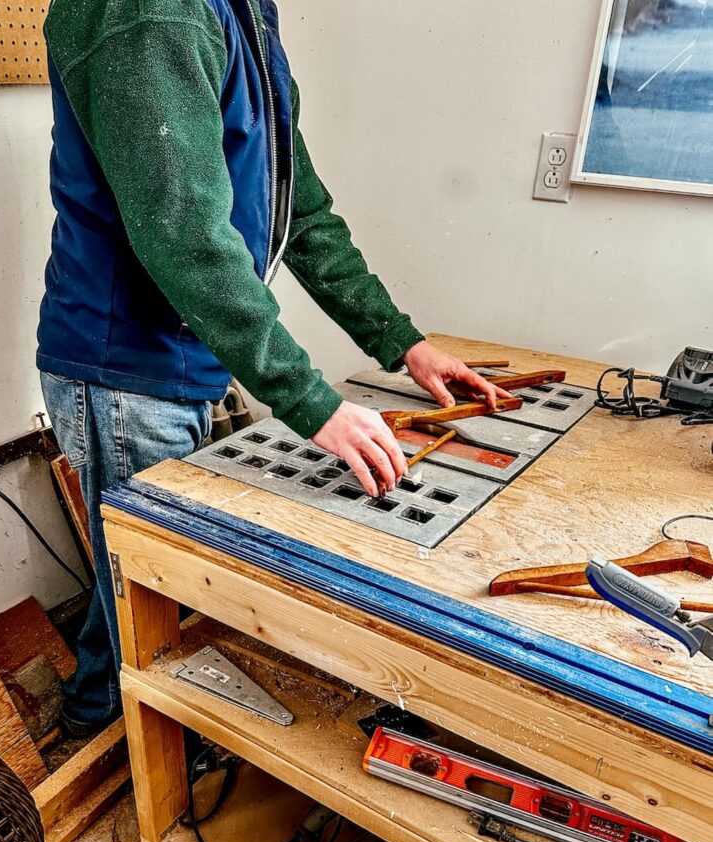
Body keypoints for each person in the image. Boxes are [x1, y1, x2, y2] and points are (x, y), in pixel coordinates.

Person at [37, 0, 509, 736]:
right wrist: (310, 403)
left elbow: (305, 212)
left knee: (147, 574)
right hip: (123, 364)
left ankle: (109, 715)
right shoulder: (151, 13)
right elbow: (184, 234)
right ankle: (105, 729)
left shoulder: (243, 11)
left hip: (186, 347)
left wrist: (403, 343)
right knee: (142, 579)